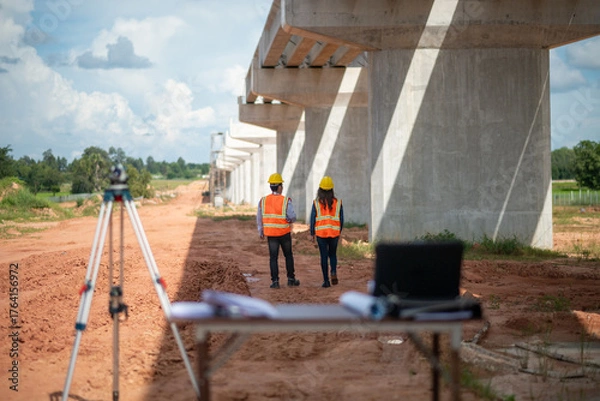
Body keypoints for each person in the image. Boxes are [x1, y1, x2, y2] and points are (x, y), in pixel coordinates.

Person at [257, 173, 300, 289]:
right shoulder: (286, 200)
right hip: (284, 233)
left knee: (273, 258)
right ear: (280, 186)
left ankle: (275, 281)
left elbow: (259, 217)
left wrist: (260, 231)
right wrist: (289, 220)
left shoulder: (263, 201)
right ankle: (291, 279)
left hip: (271, 234)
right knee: (288, 256)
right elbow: (292, 216)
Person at [310, 176, 344, 288]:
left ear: (320, 190)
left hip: (321, 234)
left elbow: (312, 219)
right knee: (333, 255)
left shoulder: (316, 203)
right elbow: (341, 219)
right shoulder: (338, 202)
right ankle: (333, 272)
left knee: (324, 256)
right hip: (334, 233)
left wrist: (312, 233)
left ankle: (326, 281)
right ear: (332, 189)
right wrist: (339, 231)